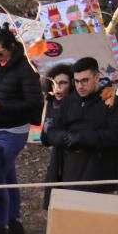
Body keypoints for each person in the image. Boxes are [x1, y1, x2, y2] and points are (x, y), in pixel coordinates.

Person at [0, 25, 43, 234]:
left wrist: (1, 105)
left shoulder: (26, 68)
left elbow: (33, 101)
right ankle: (14, 219)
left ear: (12, 47)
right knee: (7, 174)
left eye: (0, 52)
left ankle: (0, 223)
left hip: (14, 131)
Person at [43, 57, 118, 194]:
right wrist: (66, 137)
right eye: (76, 81)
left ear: (96, 78)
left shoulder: (112, 101)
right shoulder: (67, 102)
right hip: (70, 173)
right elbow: (50, 132)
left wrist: (83, 138)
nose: (80, 86)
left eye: (85, 80)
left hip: (100, 173)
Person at [39, 63, 74, 210]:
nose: (58, 87)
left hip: (73, 157)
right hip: (57, 156)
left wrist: (53, 133)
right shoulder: (52, 103)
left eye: (63, 83)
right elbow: (45, 136)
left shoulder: (75, 105)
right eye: (55, 83)